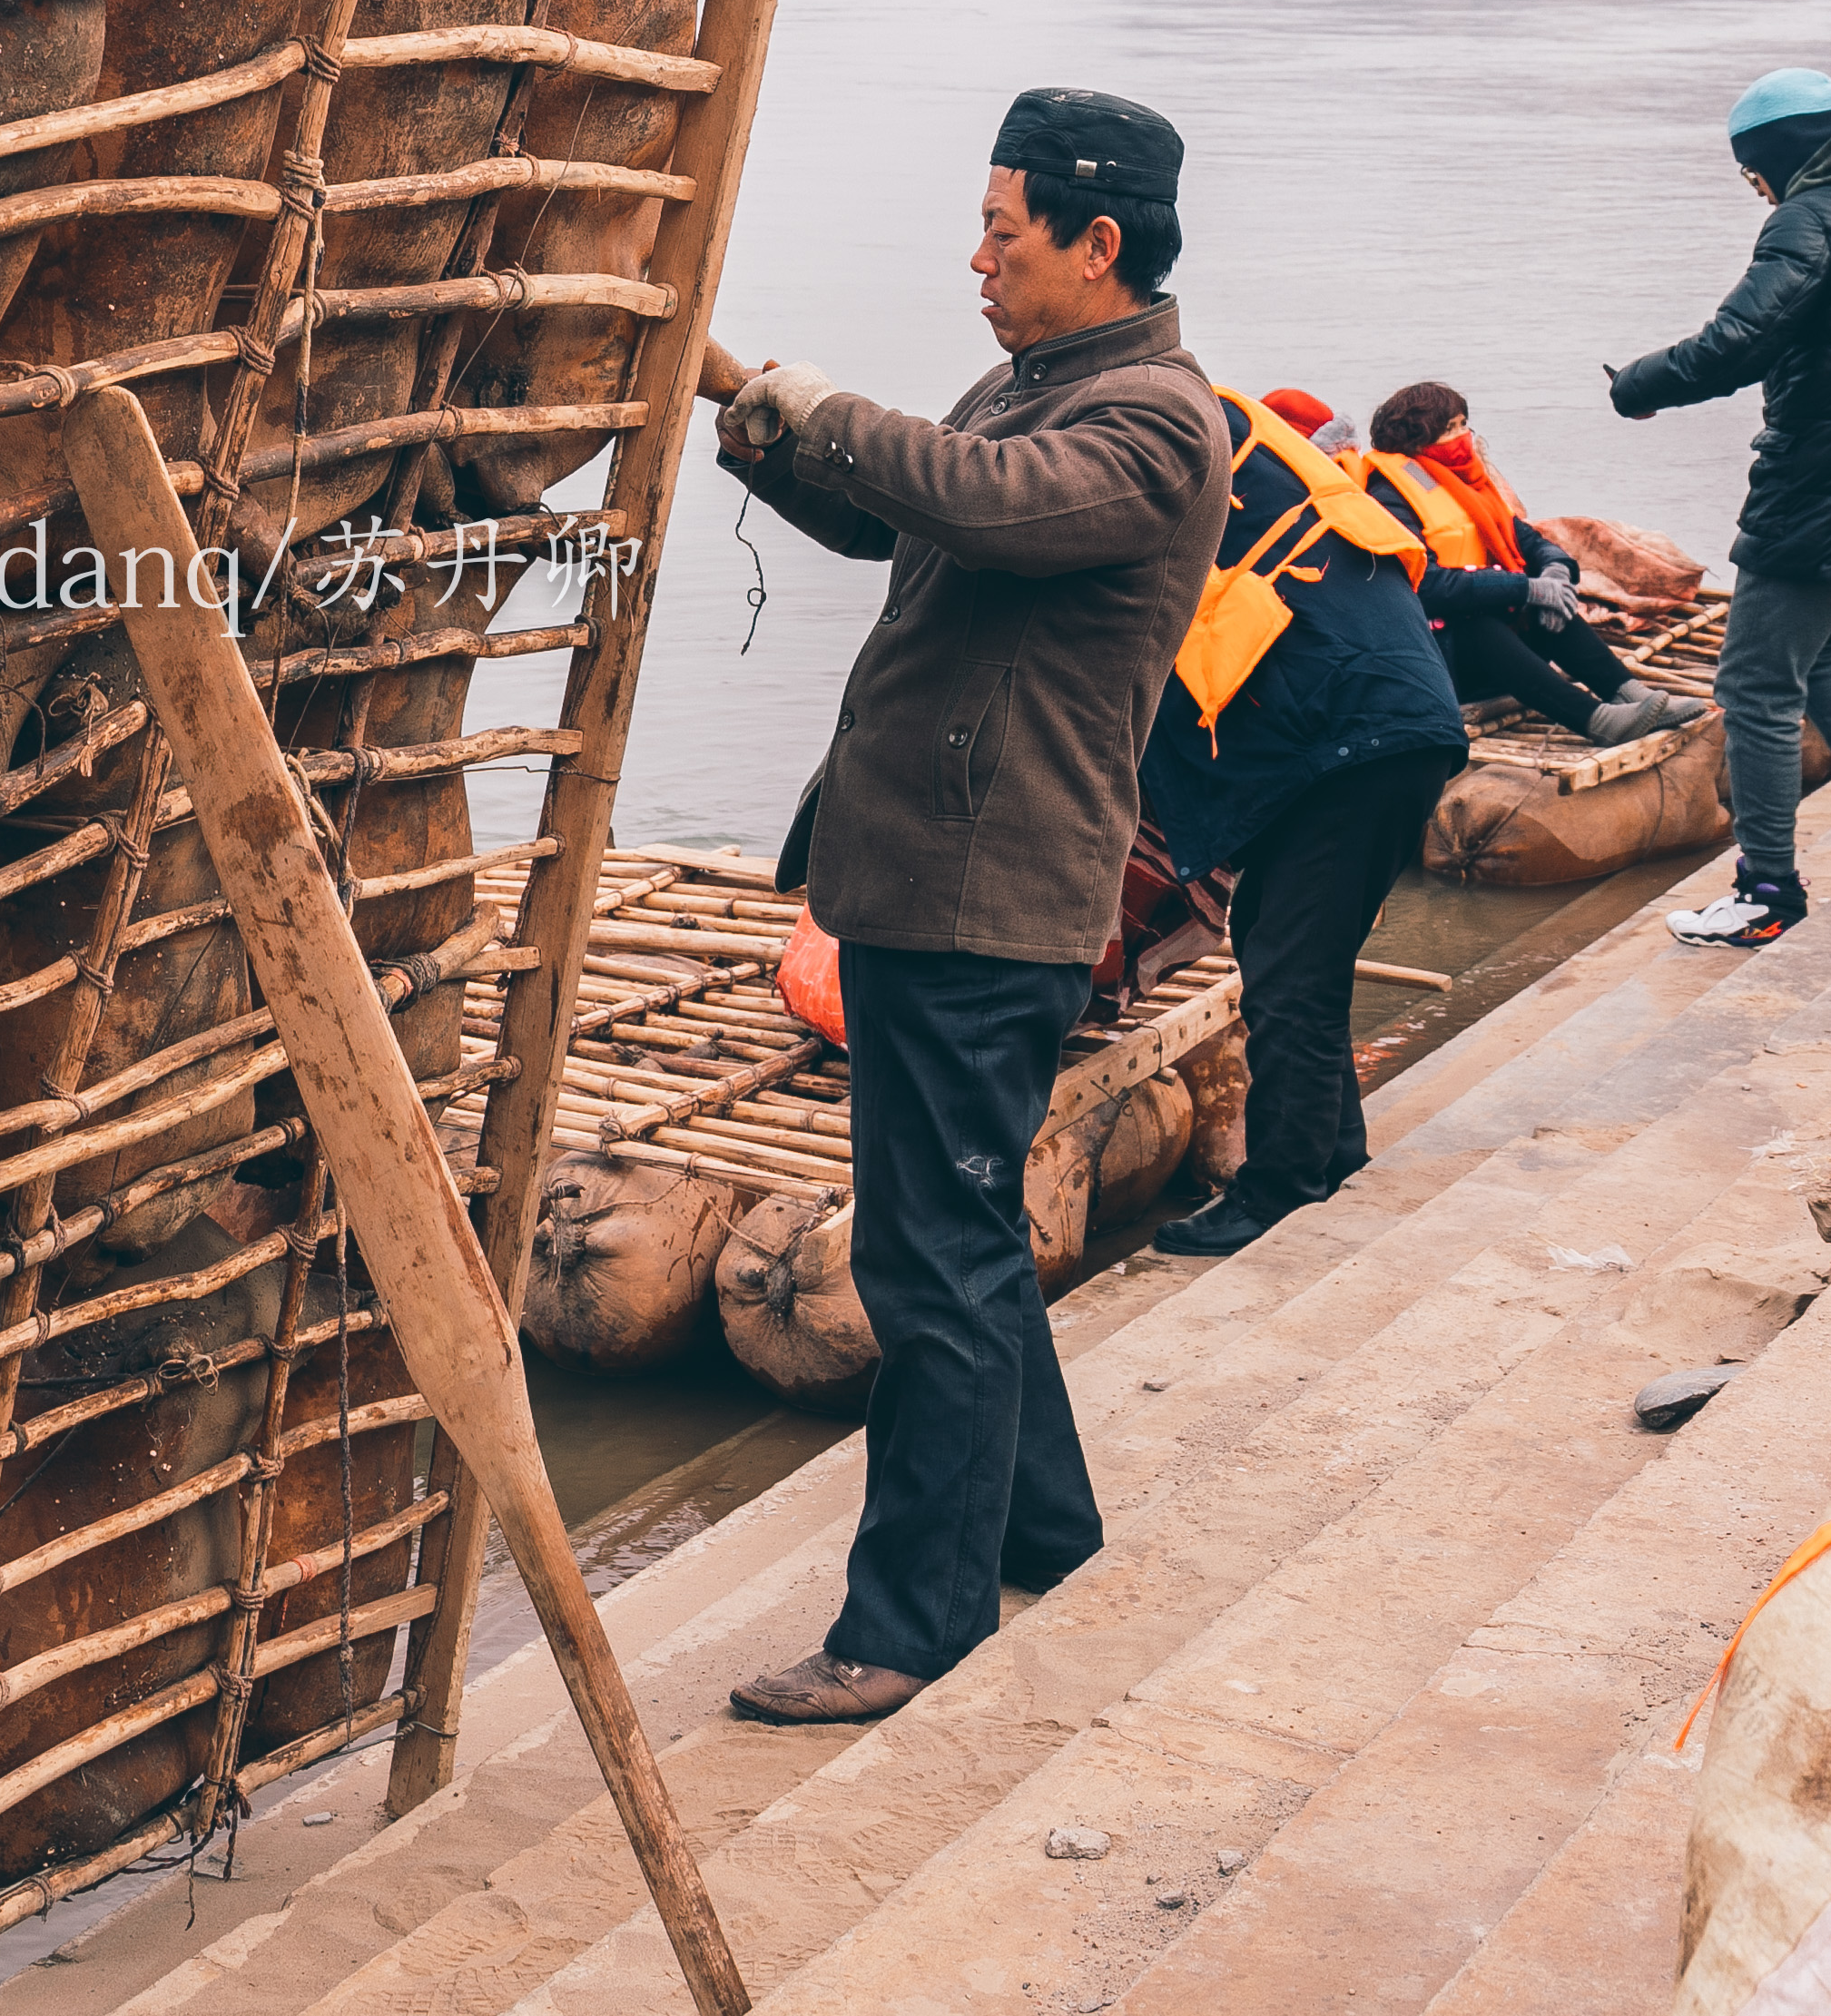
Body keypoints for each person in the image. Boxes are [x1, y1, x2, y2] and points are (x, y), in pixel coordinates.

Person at [696, 87, 1232, 1728]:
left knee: (927, 1267)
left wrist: (794, 389)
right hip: (930, 871)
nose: (978, 262)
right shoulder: (1032, 380)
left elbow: (980, 502)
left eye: (1004, 235)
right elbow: (888, 508)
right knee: (961, 1243)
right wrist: (730, 394)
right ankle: (1043, 1530)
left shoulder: (1150, 421)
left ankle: (907, 1625)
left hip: (991, 892)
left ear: (1098, 242)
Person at [1606, 70, 1831, 949]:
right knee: (1813, 658)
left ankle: (1764, 887)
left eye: (1752, 175)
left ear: (1775, 158)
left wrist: (1636, 385)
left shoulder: (1808, 221)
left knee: (1755, 684)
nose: (1756, 193)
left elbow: (1736, 341)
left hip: (1819, 493)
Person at [1137, 391, 1472, 1259]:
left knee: (1291, 971)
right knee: (1285, 950)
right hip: (1375, 729)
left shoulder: (1173, 459)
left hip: (1356, 740)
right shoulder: (1237, 454)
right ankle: (1335, 1156)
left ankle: (1278, 1187)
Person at [1341, 380, 1700, 746]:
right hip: (1438, 660)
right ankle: (1597, 720)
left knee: (1555, 606)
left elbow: (1528, 540)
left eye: (1464, 424)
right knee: (1479, 625)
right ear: (1418, 442)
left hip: (1498, 649)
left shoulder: (1465, 486)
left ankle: (1629, 693)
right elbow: (1427, 585)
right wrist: (1526, 588)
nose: (1465, 436)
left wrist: (1555, 571)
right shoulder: (1389, 497)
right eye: (1452, 429)